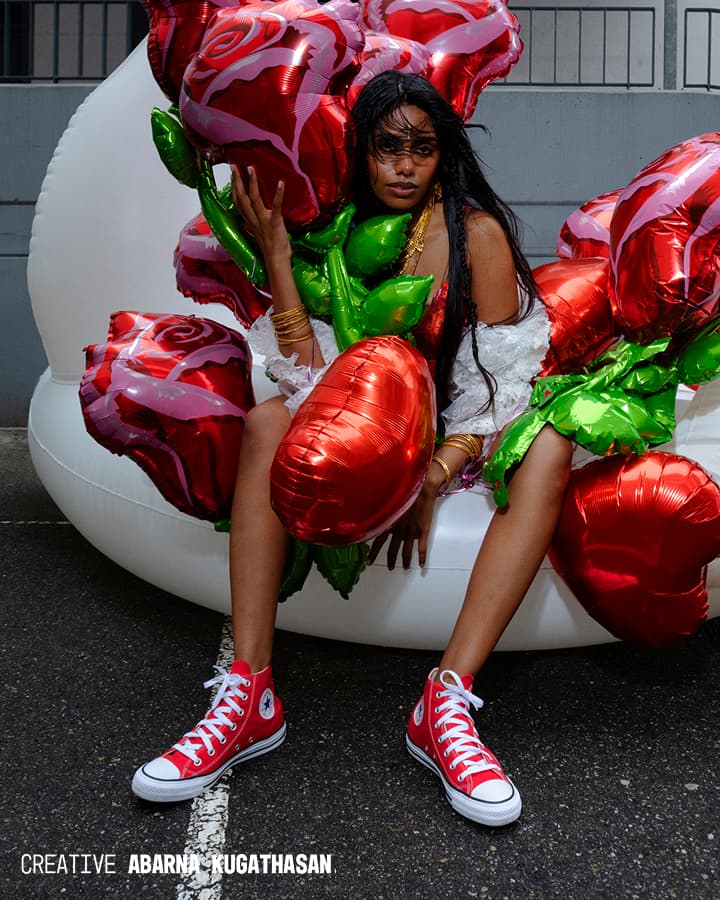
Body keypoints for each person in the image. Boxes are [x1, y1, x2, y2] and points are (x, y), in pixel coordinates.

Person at [131, 72, 573, 827]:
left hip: (454, 443)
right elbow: (314, 386)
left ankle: (446, 705)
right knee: (270, 416)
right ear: (362, 153)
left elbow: (498, 393)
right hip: (356, 435)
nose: (404, 165)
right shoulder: (335, 228)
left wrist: (425, 479)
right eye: (387, 147)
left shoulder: (476, 236)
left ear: (444, 156)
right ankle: (250, 695)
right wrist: (277, 258)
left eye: (422, 149)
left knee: (553, 442)